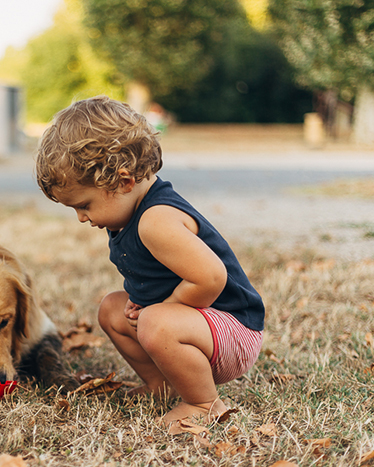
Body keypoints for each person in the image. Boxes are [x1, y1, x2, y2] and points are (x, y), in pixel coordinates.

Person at [35, 96, 265, 426]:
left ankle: (203, 403)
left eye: (84, 205)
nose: (81, 218)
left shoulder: (156, 220)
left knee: (154, 323)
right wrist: (146, 307)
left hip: (234, 330)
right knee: (111, 309)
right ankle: (162, 385)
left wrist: (162, 309)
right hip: (197, 327)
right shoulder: (126, 214)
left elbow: (211, 278)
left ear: (124, 181)